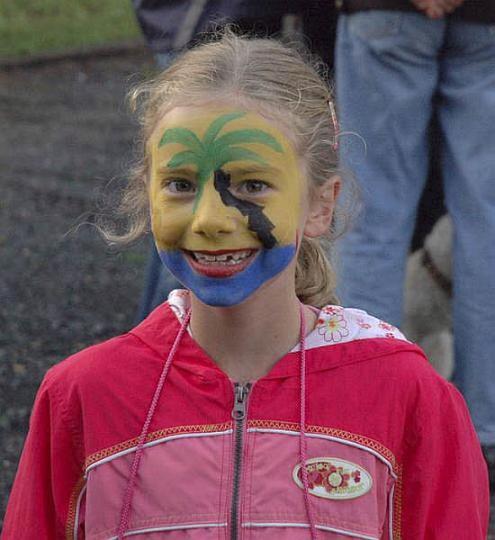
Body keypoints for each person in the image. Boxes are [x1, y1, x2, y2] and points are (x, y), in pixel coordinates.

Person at [2, 30, 489, 539]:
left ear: (321, 204)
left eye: (253, 185)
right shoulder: (83, 396)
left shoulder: (408, 398)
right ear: (147, 195)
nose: (211, 220)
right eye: (180, 185)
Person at [334, 0, 495, 476]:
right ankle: (484, 433)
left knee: (371, 214)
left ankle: (367, 423)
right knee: (486, 220)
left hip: (385, 13)